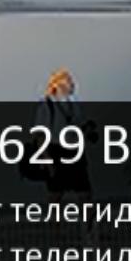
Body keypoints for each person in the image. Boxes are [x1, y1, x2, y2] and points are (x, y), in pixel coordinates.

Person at [35, 69, 92, 203]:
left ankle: (86, 217)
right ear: (58, 84)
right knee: (56, 194)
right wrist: (47, 159)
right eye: (68, 82)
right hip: (56, 151)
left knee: (85, 193)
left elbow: (78, 126)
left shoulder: (73, 105)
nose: (72, 85)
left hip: (75, 151)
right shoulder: (47, 105)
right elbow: (40, 135)